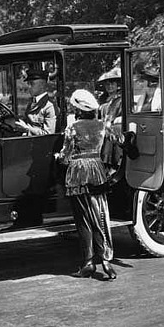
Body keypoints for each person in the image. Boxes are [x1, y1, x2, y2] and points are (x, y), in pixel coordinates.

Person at [55, 89, 117, 280]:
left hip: (77, 174)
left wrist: (58, 157)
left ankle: (88, 262)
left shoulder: (72, 128)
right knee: (100, 215)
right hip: (97, 172)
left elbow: (66, 156)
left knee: (83, 220)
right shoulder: (102, 126)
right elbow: (115, 143)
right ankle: (106, 261)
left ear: (79, 109)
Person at [13, 68, 57, 135]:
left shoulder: (49, 106)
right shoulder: (32, 103)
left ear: (42, 85)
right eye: (28, 84)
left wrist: (27, 129)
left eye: (32, 84)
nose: (29, 87)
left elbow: (48, 134)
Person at [97, 67, 123, 169]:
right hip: (101, 129)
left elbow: (118, 116)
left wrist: (109, 125)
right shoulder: (102, 100)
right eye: (107, 84)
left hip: (114, 129)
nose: (110, 86)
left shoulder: (120, 100)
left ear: (117, 85)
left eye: (112, 83)